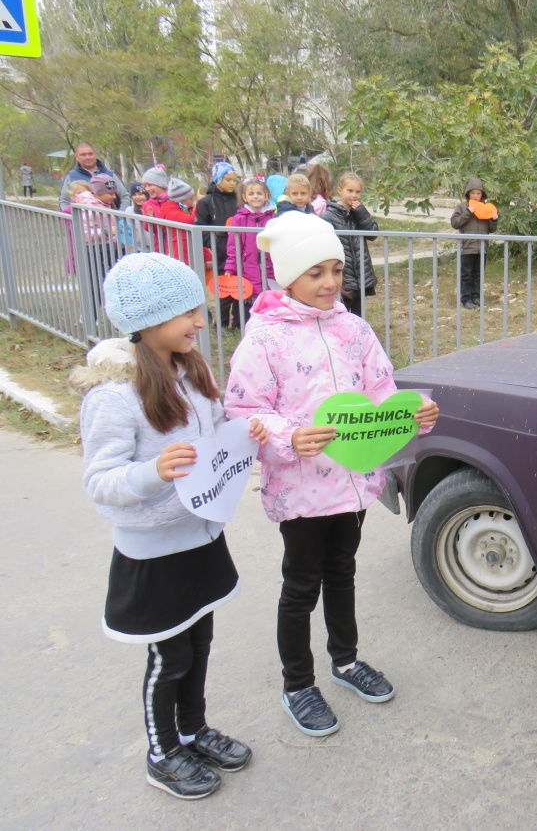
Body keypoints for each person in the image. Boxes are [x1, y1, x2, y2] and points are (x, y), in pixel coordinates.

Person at [223, 212, 439, 737]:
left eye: (336, 270)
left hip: (352, 483)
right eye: (315, 272)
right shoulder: (264, 338)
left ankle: (345, 661)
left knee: (342, 573)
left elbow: (380, 389)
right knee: (301, 586)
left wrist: (412, 411)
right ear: (287, 276)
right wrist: (287, 437)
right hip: (299, 489)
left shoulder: (353, 328)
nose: (329, 282)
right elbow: (243, 410)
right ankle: (298, 684)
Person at [70, 253, 265, 799]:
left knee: (199, 641)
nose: (200, 323)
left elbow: (217, 430)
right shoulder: (113, 396)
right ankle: (162, 752)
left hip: (200, 535)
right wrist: (152, 472)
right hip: (153, 552)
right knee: (170, 654)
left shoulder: (191, 371)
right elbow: (100, 480)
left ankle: (191, 729)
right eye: (187, 314)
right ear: (146, 321)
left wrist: (243, 431)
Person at [323, 172, 378, 318]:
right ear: (340, 191)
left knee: (359, 315)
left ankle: (358, 339)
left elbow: (373, 234)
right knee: (341, 312)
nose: (354, 195)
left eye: (357, 191)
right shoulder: (329, 216)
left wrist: (361, 213)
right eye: (350, 190)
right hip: (343, 274)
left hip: (359, 274)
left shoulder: (358, 213)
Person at [223, 178, 276, 325]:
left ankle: (269, 325)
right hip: (248, 268)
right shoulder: (239, 219)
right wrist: (231, 266)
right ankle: (249, 327)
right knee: (250, 300)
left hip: (270, 266)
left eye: (259, 193)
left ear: (266, 196)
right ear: (245, 197)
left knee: (270, 298)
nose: (256, 196)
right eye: (251, 193)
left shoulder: (274, 218)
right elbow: (233, 246)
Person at [196, 162, 241, 328]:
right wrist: (214, 242)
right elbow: (200, 228)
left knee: (240, 286)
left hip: (239, 249)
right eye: (228, 179)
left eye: (234, 180)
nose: (232, 183)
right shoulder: (206, 202)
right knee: (224, 288)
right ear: (218, 179)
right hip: (221, 251)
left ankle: (238, 323)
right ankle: (221, 324)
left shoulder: (239, 200)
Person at [448, 178, 497, 309]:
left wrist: (493, 220)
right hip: (467, 247)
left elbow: (492, 229)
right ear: (468, 193)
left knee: (478, 274)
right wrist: (468, 212)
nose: (475, 196)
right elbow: (455, 223)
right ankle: (466, 299)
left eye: (478, 193)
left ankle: (477, 297)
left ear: (482, 195)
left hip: (482, 247)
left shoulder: (487, 208)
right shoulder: (462, 206)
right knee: (466, 275)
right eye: (473, 193)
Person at [58, 141, 130, 211]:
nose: (87, 157)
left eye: (90, 154)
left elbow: (125, 196)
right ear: (76, 157)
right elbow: (64, 201)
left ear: (95, 154)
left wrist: (120, 216)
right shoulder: (71, 177)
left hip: (111, 221)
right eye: (83, 155)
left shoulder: (110, 174)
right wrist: (71, 217)